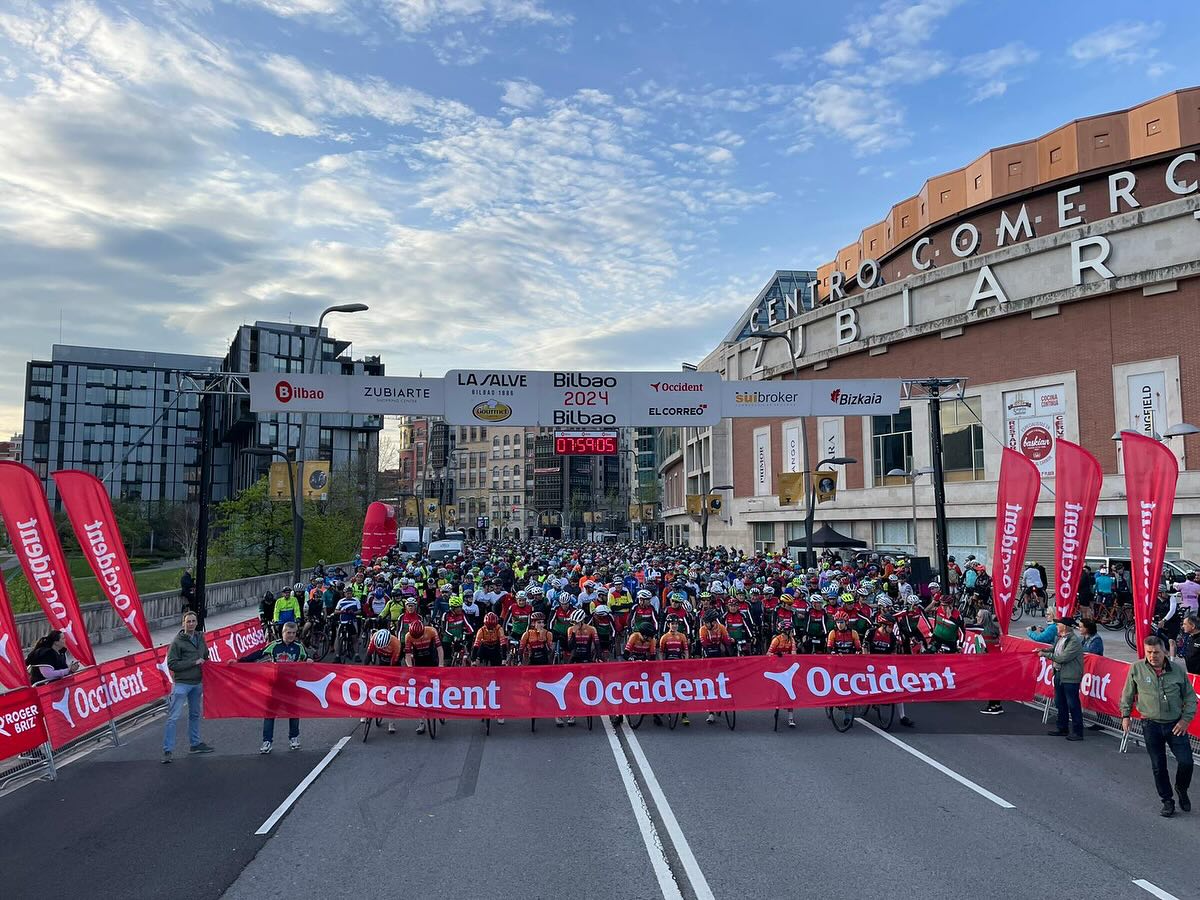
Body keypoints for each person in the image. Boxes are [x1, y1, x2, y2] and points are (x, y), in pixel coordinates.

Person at [1120, 635, 1197, 817]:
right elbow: (1127, 694)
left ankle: (1181, 788)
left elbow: (1190, 698)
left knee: (1186, 762)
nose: (1152, 656)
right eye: (1149, 652)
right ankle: (1167, 800)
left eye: (1156, 652)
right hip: (1151, 725)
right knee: (1158, 765)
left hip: (1175, 725)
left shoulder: (1177, 671)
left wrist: (1185, 720)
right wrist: (1125, 716)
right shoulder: (1137, 669)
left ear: (1164, 651)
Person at [162, 611, 214, 763]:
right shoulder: (177, 642)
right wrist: (193, 663)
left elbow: (206, 656)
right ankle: (167, 750)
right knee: (173, 717)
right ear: (183, 624)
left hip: (197, 683)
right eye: (188, 621)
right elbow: (172, 664)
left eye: (193, 621)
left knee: (195, 714)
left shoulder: (200, 638)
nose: (191, 624)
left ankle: (195, 743)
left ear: (197, 622)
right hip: (182, 684)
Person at [259, 621, 308, 754]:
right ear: (283, 633)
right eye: (288, 633)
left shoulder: (299, 647)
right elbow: (257, 655)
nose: (291, 635)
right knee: (269, 714)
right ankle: (267, 741)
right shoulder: (274, 646)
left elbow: (306, 659)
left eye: (294, 633)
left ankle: (294, 737)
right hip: (275, 686)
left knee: (293, 713)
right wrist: (238, 661)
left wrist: (309, 660)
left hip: (292, 686)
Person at [1039, 615, 1084, 741]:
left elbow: (1063, 658)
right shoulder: (1061, 638)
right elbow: (1054, 649)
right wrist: (1043, 650)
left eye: (1058, 624)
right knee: (1060, 702)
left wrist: (1045, 654)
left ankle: (1077, 731)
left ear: (1065, 627)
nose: (1056, 626)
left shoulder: (1073, 641)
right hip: (1059, 674)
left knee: (1073, 704)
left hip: (1070, 676)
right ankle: (1062, 727)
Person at [974, 610, 1004, 715]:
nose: (976, 618)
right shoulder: (995, 630)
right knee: (997, 684)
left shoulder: (981, 633)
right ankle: (997, 705)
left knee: (991, 684)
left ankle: (992, 707)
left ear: (984, 619)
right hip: (998, 661)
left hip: (988, 663)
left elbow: (980, 651)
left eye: (978, 616)